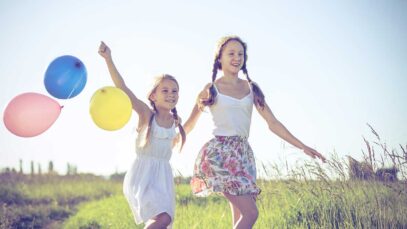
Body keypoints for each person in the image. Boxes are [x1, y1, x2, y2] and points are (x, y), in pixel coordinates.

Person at [183, 35, 326, 229]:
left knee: (241, 216)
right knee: (251, 213)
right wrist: (174, 138)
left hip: (243, 156)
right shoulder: (211, 89)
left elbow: (273, 123)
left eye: (240, 54)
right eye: (231, 53)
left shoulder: (251, 89)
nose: (236, 57)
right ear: (219, 58)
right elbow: (190, 123)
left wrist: (303, 147)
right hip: (220, 155)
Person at [98, 41, 186, 229]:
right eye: (165, 90)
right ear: (153, 96)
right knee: (163, 219)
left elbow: (192, 125)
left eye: (174, 91)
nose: (171, 94)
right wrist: (108, 59)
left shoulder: (175, 122)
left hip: (163, 179)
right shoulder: (147, 115)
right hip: (143, 176)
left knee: (162, 221)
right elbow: (123, 89)